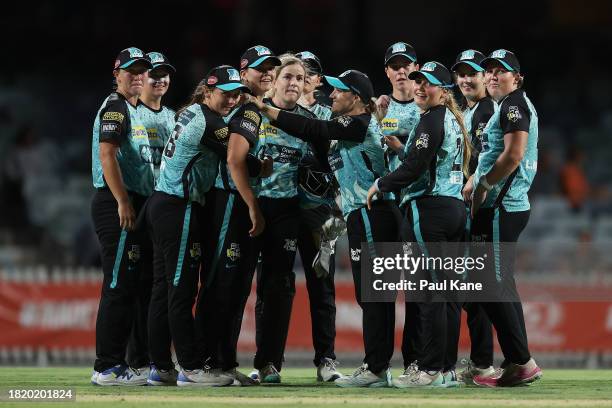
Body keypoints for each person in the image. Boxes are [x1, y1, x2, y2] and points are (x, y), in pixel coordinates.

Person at [250, 69, 401, 388]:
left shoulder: (355, 124)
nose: (331, 95)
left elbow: (311, 127)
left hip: (373, 213)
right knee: (373, 294)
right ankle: (380, 366)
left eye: (338, 91)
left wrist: (267, 109)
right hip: (368, 214)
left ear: (355, 99)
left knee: (374, 294)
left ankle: (375, 368)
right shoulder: (355, 124)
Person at [367, 61, 471, 388]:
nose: (420, 88)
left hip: (429, 211)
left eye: (428, 83)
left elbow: (413, 168)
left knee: (428, 293)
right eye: (417, 82)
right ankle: (447, 368)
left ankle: (429, 370)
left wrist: (381, 184)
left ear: (443, 89)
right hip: (454, 208)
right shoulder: (451, 118)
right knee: (448, 293)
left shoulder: (431, 118)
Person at [195, 45, 279, 386]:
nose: (268, 74)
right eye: (261, 69)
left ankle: (223, 362)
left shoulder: (253, 109)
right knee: (220, 285)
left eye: (271, 68)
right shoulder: (247, 111)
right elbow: (234, 160)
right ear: (244, 75)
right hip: (229, 202)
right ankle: (203, 361)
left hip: (233, 203)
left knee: (235, 287)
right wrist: (252, 205)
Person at [464, 49, 542, 387]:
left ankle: (523, 361)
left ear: (517, 77)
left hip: (500, 207)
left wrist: (483, 184)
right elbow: (497, 153)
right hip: (504, 205)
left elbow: (514, 154)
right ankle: (515, 360)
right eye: (490, 71)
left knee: (488, 285)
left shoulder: (512, 104)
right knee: (497, 285)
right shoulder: (507, 105)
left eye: (502, 70)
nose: (494, 75)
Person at [90, 47, 154, 386]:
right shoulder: (115, 106)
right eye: (131, 71)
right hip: (117, 203)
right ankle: (107, 366)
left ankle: (126, 362)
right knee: (118, 286)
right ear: (117, 74)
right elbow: (106, 153)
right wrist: (123, 201)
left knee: (129, 286)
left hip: (132, 202)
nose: (138, 76)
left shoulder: (133, 109)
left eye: (142, 71)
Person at [119, 51, 176, 384]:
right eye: (154, 75)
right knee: (135, 284)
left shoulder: (173, 117)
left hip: (164, 205)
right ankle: (136, 358)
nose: (160, 80)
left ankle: (157, 358)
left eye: (165, 75)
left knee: (161, 285)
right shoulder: (128, 112)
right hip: (136, 202)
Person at [449, 49, 499, 384]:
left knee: (477, 289)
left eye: (473, 73)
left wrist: (475, 180)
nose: (466, 79)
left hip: (480, 208)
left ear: (485, 77)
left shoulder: (488, 111)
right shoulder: (466, 112)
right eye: (461, 74)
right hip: (466, 208)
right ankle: (485, 361)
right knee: (471, 290)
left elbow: (496, 154)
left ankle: (484, 363)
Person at [294, 50, 342, 382]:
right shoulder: (280, 106)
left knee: (322, 287)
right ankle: (268, 362)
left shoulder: (330, 112)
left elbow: (343, 157)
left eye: (309, 71)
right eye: (298, 70)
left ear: (319, 79)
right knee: (274, 284)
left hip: (320, 209)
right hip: (282, 205)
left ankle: (326, 360)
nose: (303, 76)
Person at [376, 41, 422, 375]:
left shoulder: (427, 107)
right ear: (387, 72)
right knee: (382, 287)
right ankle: (377, 365)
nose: (401, 70)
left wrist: (399, 145)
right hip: (383, 206)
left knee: (418, 286)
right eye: (395, 65)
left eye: (406, 65)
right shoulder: (380, 107)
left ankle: (415, 361)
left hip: (415, 205)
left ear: (416, 69)